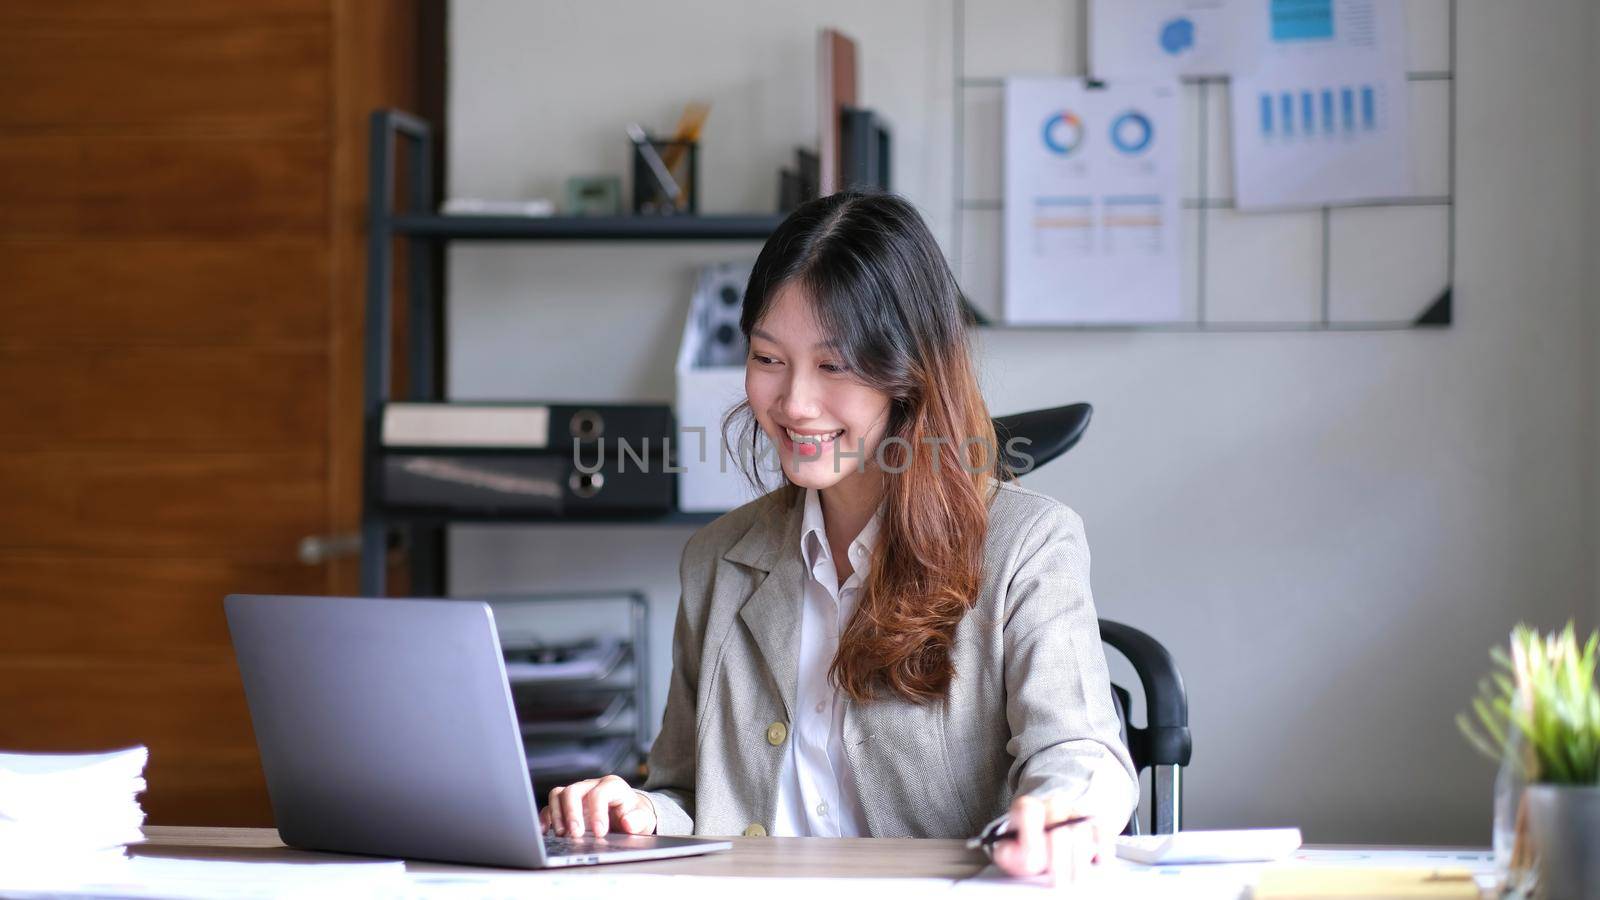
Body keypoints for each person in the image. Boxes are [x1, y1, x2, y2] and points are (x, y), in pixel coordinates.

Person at [538, 191, 1136, 884]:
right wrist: (635, 810)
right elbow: (689, 794)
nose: (794, 402)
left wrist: (1064, 813)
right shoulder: (719, 559)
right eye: (768, 358)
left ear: (907, 373)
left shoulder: (1029, 543)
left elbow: (1081, 752)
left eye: (834, 366)